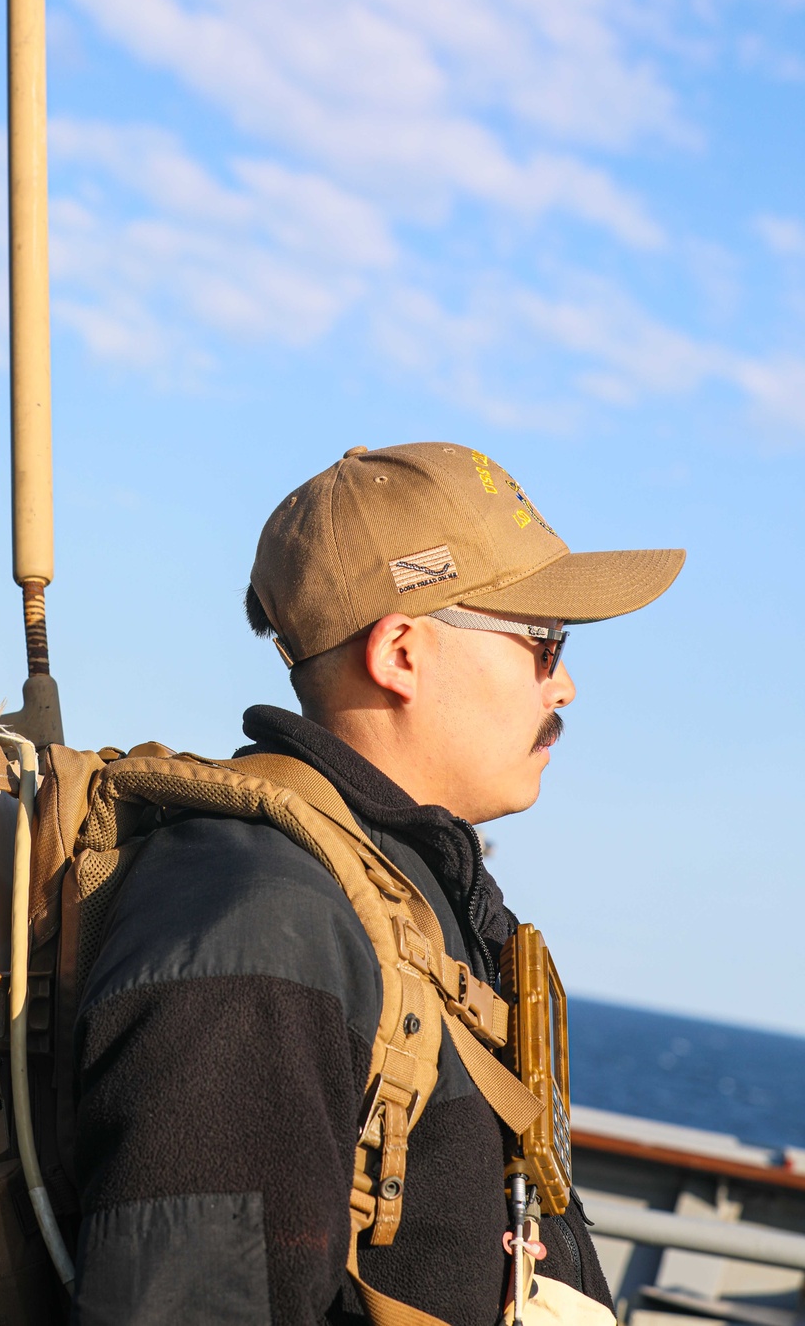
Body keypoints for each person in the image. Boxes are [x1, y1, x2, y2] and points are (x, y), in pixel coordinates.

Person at [69, 441, 684, 1326]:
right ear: (401, 653)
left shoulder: (408, 893)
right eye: (543, 642)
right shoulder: (259, 917)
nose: (568, 685)